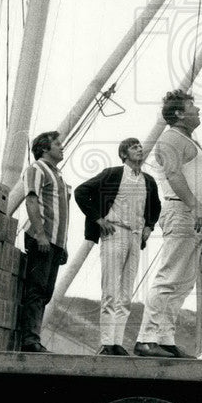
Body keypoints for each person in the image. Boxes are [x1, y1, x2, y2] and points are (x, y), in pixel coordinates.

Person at [134, 89, 202, 358]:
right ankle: (146, 338)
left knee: (183, 281)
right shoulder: (169, 140)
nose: (198, 110)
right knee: (170, 277)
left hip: (194, 212)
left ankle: (164, 338)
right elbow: (173, 175)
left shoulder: (188, 141)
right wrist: (194, 206)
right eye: (193, 106)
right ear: (179, 113)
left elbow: (196, 182)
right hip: (181, 211)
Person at [74, 137, 161, 356]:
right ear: (124, 154)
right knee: (111, 290)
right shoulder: (113, 174)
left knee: (125, 294)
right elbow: (81, 192)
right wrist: (98, 219)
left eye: (140, 146)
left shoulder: (148, 180)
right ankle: (106, 343)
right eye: (134, 147)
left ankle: (117, 342)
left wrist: (149, 226)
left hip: (134, 235)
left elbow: (156, 206)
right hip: (115, 231)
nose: (139, 149)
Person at [20, 131, 70, 353]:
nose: (62, 147)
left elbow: (62, 213)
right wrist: (40, 234)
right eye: (57, 144)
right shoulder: (36, 169)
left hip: (55, 242)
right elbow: (31, 200)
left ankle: (33, 336)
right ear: (44, 148)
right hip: (42, 238)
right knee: (37, 288)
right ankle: (30, 339)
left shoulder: (58, 175)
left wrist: (63, 245)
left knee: (46, 291)